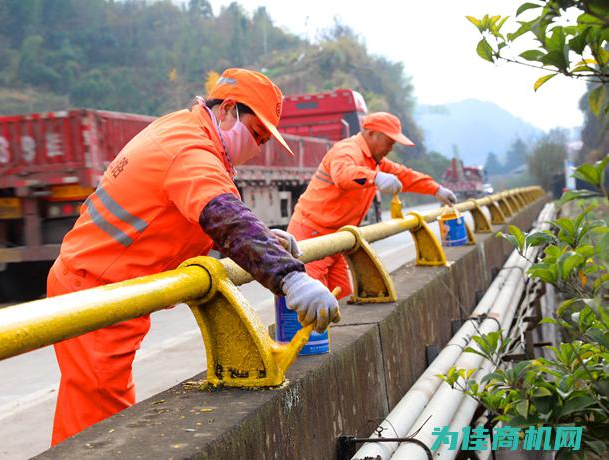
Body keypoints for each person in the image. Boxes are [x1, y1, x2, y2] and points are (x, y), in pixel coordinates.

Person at [47, 68, 339, 445]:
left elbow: (193, 215)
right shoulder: (189, 149)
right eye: (258, 134)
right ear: (228, 109)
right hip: (95, 290)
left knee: (90, 409)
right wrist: (291, 277)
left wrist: (263, 238)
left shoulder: (185, 130)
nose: (258, 146)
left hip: (102, 285)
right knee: (99, 423)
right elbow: (222, 215)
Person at [287, 112, 457, 299]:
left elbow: (405, 176)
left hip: (335, 240)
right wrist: (375, 177)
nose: (391, 147)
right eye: (389, 141)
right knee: (312, 302)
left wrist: (436, 189)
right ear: (371, 134)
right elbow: (343, 174)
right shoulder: (347, 150)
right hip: (312, 236)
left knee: (342, 299)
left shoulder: (375, 161)